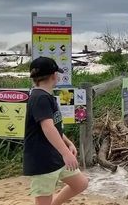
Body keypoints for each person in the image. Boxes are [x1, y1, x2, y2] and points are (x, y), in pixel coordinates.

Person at [24, 57, 88, 205]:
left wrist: (68, 143)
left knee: (81, 183)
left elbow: (54, 126)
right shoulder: (39, 97)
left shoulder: (46, 96)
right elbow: (47, 127)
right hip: (42, 160)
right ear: (54, 75)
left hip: (55, 156)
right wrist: (66, 153)